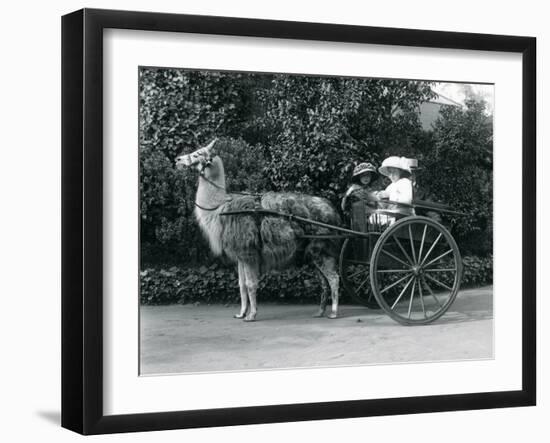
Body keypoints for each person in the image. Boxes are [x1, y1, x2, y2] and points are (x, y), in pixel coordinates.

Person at [372, 156, 415, 225]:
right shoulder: (391, 186)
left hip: (403, 214)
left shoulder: (405, 182)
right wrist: (381, 196)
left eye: (394, 172)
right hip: (392, 212)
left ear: (400, 172)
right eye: (389, 173)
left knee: (384, 218)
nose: (391, 176)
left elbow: (406, 200)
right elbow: (385, 201)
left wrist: (390, 195)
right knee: (374, 216)